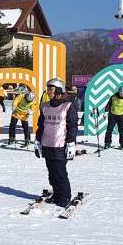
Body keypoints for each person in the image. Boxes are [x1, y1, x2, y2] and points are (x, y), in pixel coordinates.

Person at [34, 78, 78, 207]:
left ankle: (64, 196)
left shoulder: (68, 105)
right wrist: (37, 141)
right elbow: (40, 125)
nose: (48, 92)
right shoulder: (45, 106)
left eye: (51, 89)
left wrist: (71, 143)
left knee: (60, 172)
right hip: (47, 143)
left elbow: (73, 125)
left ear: (58, 90)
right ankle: (56, 193)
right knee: (51, 172)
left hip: (60, 144)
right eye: (47, 89)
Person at [103, 86, 123, 150]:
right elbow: (108, 104)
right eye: (122, 95)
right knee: (109, 130)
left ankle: (122, 144)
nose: (122, 96)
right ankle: (107, 143)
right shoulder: (113, 97)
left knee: (122, 131)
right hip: (112, 116)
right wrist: (106, 111)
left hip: (121, 116)